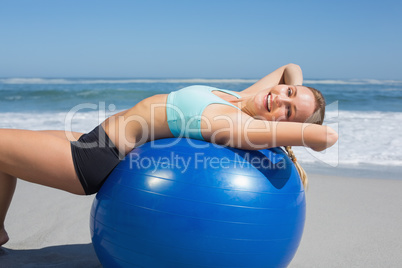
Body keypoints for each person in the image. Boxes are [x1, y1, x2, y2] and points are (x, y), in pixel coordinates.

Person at [0, 63, 338, 246]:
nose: (281, 99)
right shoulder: (241, 98)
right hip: (93, 139)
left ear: (285, 126)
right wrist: (301, 97)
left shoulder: (238, 124)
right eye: (288, 93)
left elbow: (324, 136)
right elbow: (290, 67)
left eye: (289, 111)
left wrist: (290, 131)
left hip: (94, 159)